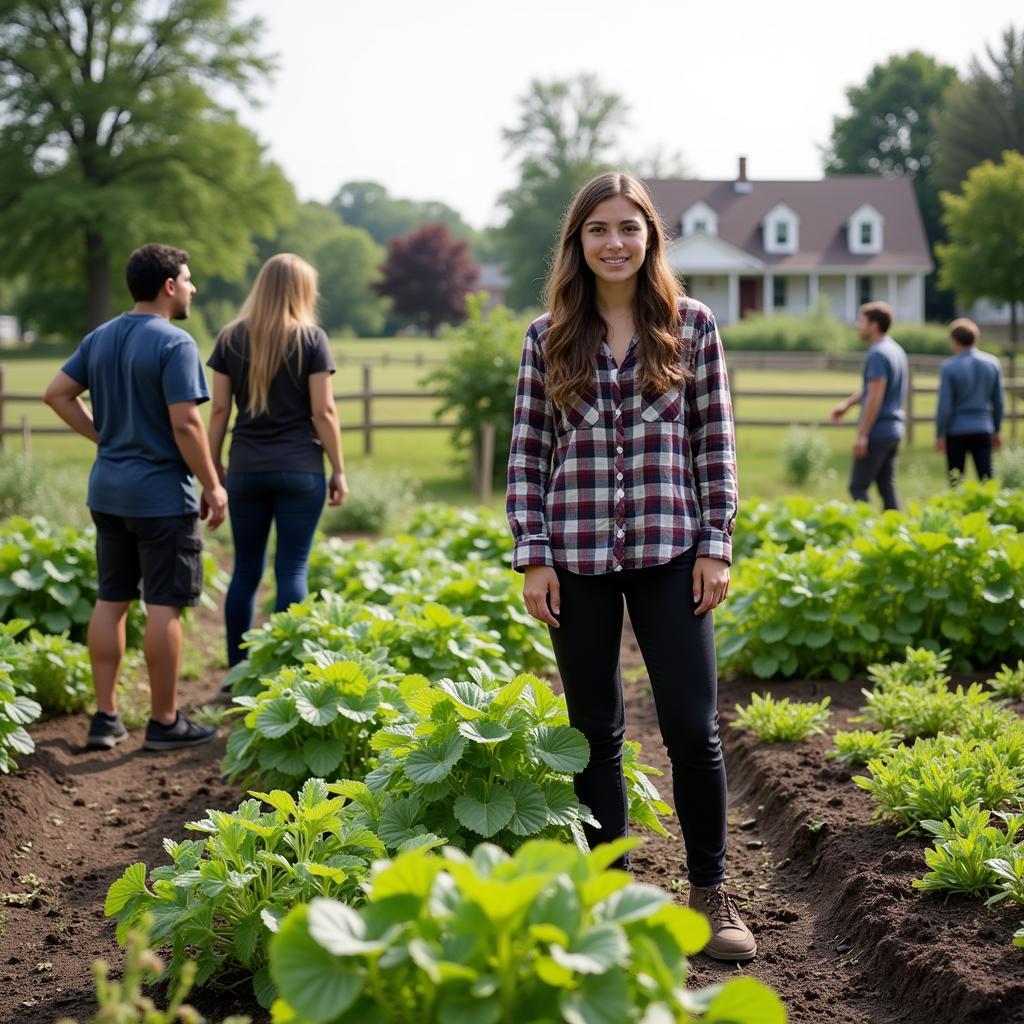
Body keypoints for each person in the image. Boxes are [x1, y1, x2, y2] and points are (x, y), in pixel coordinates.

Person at [506, 172, 754, 961]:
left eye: (629, 228)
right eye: (597, 230)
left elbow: (715, 443)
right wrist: (533, 557)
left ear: (651, 238)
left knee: (691, 726)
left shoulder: (694, 327)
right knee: (595, 732)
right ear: (577, 243)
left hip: (671, 551)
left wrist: (716, 541)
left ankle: (710, 892)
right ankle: (607, 897)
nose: (614, 243)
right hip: (574, 555)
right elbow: (526, 454)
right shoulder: (547, 337)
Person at [43, 243, 226, 752]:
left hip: (107, 492)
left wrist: (103, 436)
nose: (192, 288)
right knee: (164, 605)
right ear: (168, 286)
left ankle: (105, 719)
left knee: (111, 601)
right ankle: (165, 722)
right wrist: (213, 484)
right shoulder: (176, 343)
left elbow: (56, 394)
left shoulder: (100, 337)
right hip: (162, 498)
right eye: (188, 280)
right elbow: (187, 422)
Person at [206, 253, 347, 673]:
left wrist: (211, 473)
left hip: (245, 470)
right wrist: (339, 468)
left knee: (245, 571)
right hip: (301, 469)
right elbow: (324, 412)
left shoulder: (230, 338)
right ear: (302, 291)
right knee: (292, 569)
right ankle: (290, 672)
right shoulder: (311, 339)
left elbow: (217, 412)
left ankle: (236, 671)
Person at [831, 302, 908, 510]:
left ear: (874, 324)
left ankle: (867, 532)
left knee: (858, 487)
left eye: (862, 321)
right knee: (887, 488)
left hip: (878, 430)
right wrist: (848, 404)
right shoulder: (896, 350)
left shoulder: (877, 353)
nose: (858, 326)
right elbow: (870, 389)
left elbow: (875, 395)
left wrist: (863, 433)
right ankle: (895, 531)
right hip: (894, 430)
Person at [934, 318, 1004, 482]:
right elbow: (998, 402)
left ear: (954, 340)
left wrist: (939, 434)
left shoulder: (949, 367)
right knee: (987, 479)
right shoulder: (992, 363)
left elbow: (944, 407)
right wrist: (997, 429)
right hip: (984, 428)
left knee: (956, 480)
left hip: (956, 431)